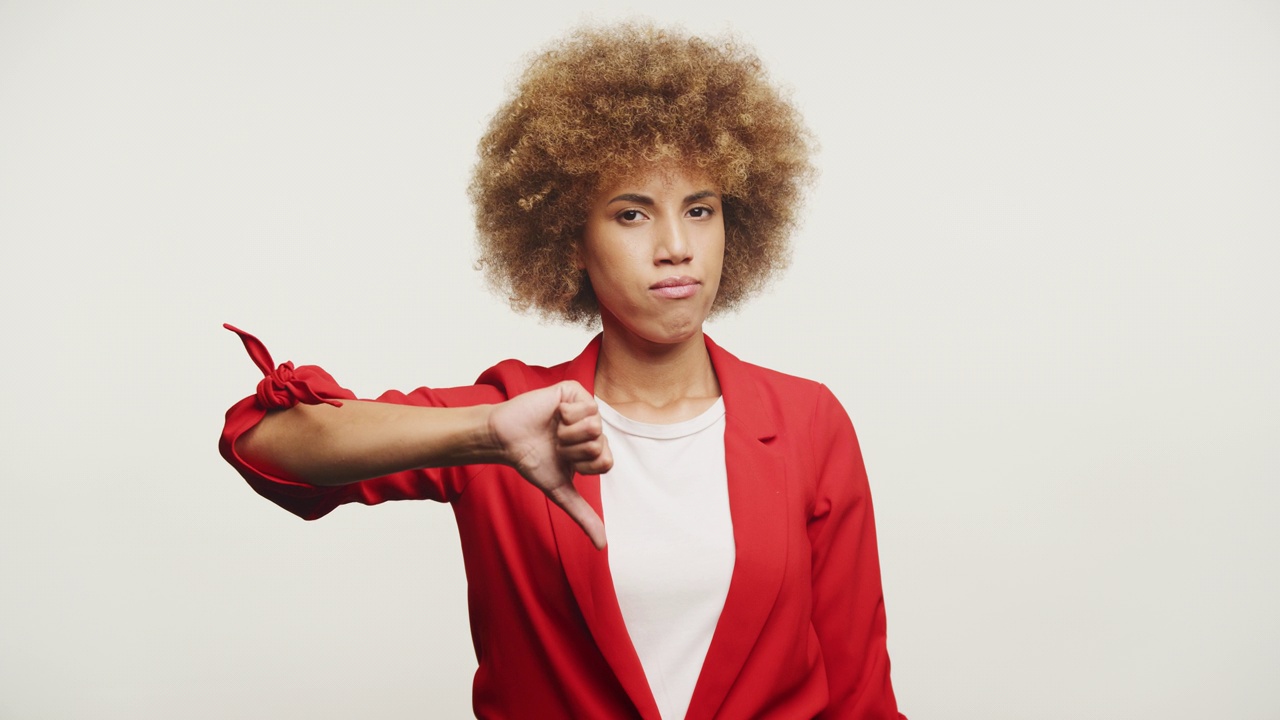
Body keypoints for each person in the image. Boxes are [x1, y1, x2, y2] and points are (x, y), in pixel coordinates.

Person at [220, 22, 907, 720]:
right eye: (632, 215)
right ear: (570, 240)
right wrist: (485, 433)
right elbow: (263, 443)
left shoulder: (807, 422)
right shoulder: (510, 411)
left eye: (700, 210)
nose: (676, 246)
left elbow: (860, 697)